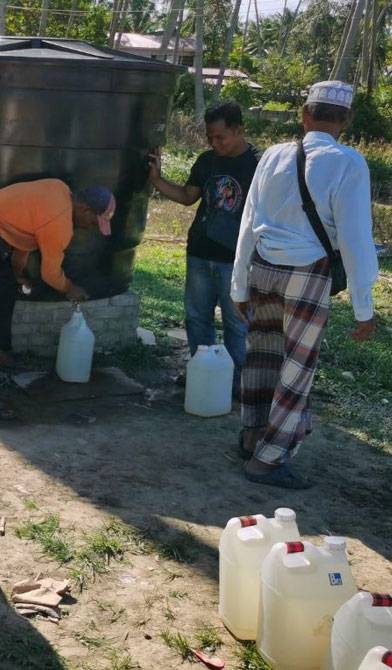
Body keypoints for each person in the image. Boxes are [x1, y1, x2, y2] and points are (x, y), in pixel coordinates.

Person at [231, 80, 378, 489]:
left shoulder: (274, 156)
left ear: (304, 114)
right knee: (297, 367)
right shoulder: (349, 163)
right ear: (344, 120)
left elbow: (248, 222)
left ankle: (251, 438)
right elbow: (354, 238)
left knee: (261, 356)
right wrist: (365, 307)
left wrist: (238, 285)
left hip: (263, 267)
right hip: (307, 274)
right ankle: (269, 459)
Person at [0, 179, 115, 419]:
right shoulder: (60, 223)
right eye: (95, 220)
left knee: (7, 292)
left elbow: (25, 237)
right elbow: (50, 274)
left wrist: (16, 274)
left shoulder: (59, 190)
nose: (92, 227)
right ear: (84, 210)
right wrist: (70, 287)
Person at [148, 101, 261, 394]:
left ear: (239, 130)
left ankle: (235, 384)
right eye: (210, 137)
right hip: (199, 252)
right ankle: (202, 370)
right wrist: (157, 180)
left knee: (237, 324)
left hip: (235, 259)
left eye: (220, 137)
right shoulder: (207, 161)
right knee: (197, 317)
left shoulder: (259, 164)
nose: (214, 143)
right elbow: (188, 196)